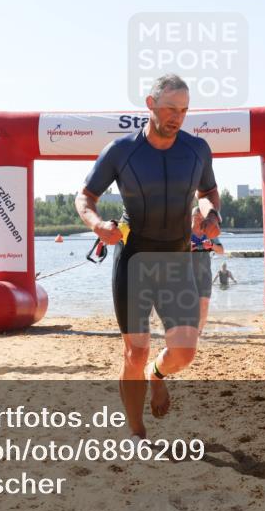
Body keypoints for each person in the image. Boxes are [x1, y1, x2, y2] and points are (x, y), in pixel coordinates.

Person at [75, 74, 220, 437]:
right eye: (171, 108)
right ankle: (136, 431)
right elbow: (85, 198)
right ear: (150, 103)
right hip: (134, 258)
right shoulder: (121, 151)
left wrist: (212, 213)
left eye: (184, 110)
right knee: (134, 353)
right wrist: (97, 226)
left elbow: (209, 191)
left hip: (176, 259)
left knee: (184, 353)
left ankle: (158, 374)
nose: (177, 117)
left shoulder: (197, 149)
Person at [190, 206, 224, 333]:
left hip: (205, 274)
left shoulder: (209, 232)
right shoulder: (184, 233)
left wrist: (211, 245)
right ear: (191, 218)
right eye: (197, 217)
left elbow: (221, 251)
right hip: (187, 274)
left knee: (204, 303)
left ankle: (198, 332)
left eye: (202, 218)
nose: (199, 220)